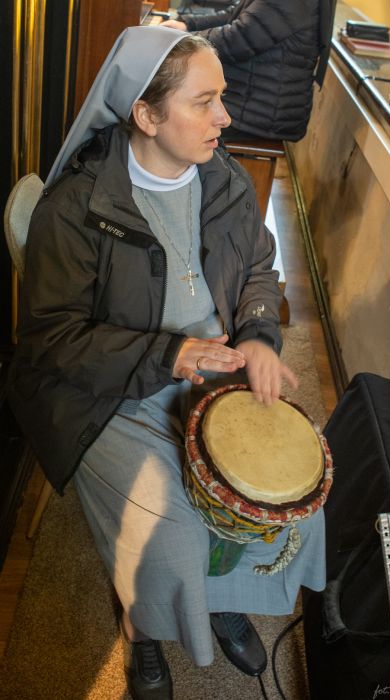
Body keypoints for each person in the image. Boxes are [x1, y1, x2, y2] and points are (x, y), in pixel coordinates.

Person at [7, 26, 326, 700]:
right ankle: (143, 627)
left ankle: (221, 597)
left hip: (210, 366)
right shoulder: (77, 209)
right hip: (109, 392)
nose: (225, 118)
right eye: (204, 102)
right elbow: (52, 342)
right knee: (172, 530)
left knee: (290, 502)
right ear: (146, 116)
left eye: (222, 98)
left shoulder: (223, 176)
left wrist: (259, 335)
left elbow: (259, 267)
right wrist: (169, 353)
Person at [162, 0, 323, 142]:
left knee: (168, 119)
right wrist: (188, 25)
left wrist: (180, 40)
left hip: (261, 111)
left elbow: (236, 40)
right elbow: (235, 14)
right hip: (252, 97)